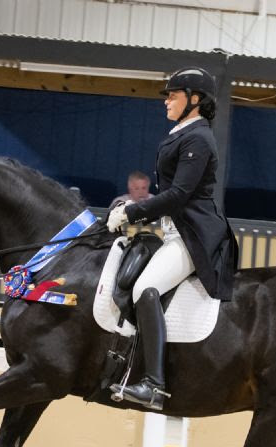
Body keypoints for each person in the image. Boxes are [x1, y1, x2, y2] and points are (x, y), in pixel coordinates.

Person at [106, 67, 239, 410]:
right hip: (175, 231)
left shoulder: (198, 137)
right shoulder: (183, 132)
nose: (167, 101)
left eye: (173, 94)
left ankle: (154, 384)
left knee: (144, 289)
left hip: (195, 236)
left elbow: (179, 194)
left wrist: (132, 212)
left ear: (195, 100)